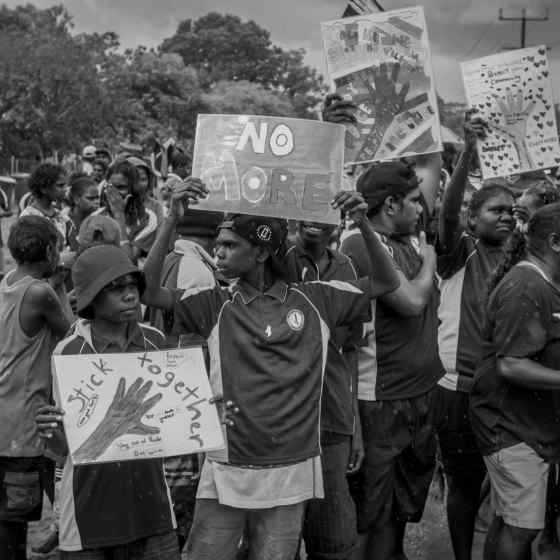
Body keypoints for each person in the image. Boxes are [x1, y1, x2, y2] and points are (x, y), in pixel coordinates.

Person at [141, 178, 400, 559]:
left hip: (291, 469)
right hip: (227, 465)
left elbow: (387, 280)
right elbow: (148, 292)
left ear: (261, 253)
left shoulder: (318, 300)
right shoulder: (213, 303)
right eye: (218, 244)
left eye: (230, 245)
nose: (219, 252)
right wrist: (170, 221)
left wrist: (361, 222)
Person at [35, 244, 180, 559]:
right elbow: (66, 444)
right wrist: (49, 426)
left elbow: (173, 420)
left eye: (132, 286)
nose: (129, 295)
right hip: (90, 510)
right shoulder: (70, 352)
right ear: (91, 298)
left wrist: (203, 412)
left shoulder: (155, 341)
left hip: (152, 506)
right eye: (115, 289)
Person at [340, 160, 442, 560]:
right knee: (369, 513)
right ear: (391, 206)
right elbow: (411, 302)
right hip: (380, 401)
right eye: (414, 203)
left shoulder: (407, 239)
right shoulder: (360, 243)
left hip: (418, 394)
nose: (421, 211)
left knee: (399, 509)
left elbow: (431, 174)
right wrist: (430, 262)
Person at [434, 112, 515, 560]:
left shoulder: (525, 260)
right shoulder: (457, 252)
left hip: (509, 390)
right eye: (495, 210)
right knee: (464, 487)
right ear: (473, 216)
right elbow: (447, 212)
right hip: (459, 391)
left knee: (510, 491)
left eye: (511, 211)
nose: (505, 217)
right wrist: (467, 150)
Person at [470, 203, 560, 560]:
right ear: (555, 242)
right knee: (523, 526)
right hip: (506, 424)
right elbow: (511, 365)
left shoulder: (546, 282)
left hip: (530, 423)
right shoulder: (525, 284)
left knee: (512, 518)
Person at [284, 219, 363, 560]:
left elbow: (351, 351)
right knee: (277, 538)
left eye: (323, 209)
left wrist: (354, 423)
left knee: (332, 538)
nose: (313, 220)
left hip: (331, 419)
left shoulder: (346, 267)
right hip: (280, 421)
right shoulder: (274, 257)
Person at [149, 206, 223, 551]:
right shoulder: (196, 268)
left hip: (166, 378)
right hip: (186, 383)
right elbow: (195, 335)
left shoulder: (169, 259)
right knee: (183, 496)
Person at [0, 216, 72, 560]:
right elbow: (70, 332)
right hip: (26, 425)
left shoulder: (6, 283)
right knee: (15, 515)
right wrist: (59, 283)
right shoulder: (39, 292)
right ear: (49, 250)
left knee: (8, 518)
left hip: (6, 416)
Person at [20, 163, 72, 249]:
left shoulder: (62, 217)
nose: (65, 189)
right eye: (60, 185)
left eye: (65, 185)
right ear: (43, 188)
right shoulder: (28, 218)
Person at [65, 176, 101, 251]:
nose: (96, 202)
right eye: (91, 198)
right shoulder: (64, 221)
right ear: (76, 199)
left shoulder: (100, 219)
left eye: (97, 198)